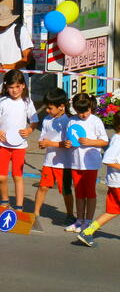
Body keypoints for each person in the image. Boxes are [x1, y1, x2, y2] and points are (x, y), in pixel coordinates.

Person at [0, 4, 33, 163]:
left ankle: (18, 148)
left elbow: (27, 58)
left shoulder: (20, 30)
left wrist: (8, 67)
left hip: (17, 82)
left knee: (19, 117)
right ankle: (0, 149)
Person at [0, 70, 38, 211]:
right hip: (3, 146)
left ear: (23, 86)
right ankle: (4, 201)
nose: (14, 90)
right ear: (6, 87)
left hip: (20, 146)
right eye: (11, 87)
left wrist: (29, 130)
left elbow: (34, 121)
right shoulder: (2, 102)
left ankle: (19, 206)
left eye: (17, 86)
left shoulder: (27, 102)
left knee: (18, 176)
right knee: (2, 177)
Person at [63, 93, 108, 233]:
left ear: (91, 107)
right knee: (79, 193)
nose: (83, 115)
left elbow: (104, 141)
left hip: (90, 164)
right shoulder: (71, 121)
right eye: (80, 112)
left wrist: (90, 142)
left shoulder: (95, 121)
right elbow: (67, 139)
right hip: (76, 162)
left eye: (86, 111)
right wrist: (67, 143)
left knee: (90, 193)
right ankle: (79, 220)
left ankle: (88, 221)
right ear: (75, 110)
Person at [77, 112, 120, 247]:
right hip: (118, 182)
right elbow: (107, 159)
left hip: (115, 182)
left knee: (112, 211)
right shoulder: (118, 140)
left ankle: (87, 232)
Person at [33, 88, 74, 223]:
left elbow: (68, 144)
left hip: (64, 163)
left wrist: (50, 143)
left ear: (61, 106)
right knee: (43, 187)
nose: (47, 111)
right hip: (49, 161)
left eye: (50, 108)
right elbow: (43, 137)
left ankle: (70, 214)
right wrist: (42, 143)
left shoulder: (69, 121)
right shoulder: (46, 120)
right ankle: (35, 213)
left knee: (65, 190)